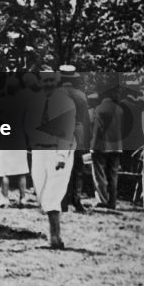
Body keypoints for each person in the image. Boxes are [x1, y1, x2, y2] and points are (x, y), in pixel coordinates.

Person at [25, 70, 76, 249]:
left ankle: (55, 237)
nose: (47, 84)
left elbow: (67, 130)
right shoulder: (36, 101)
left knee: (53, 194)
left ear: (56, 81)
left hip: (57, 153)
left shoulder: (65, 102)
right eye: (44, 81)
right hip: (39, 152)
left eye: (50, 81)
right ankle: (53, 234)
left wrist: (61, 156)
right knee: (42, 192)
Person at [0, 75, 30, 206]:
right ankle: (23, 198)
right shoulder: (22, 102)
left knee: (4, 171)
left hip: (5, 138)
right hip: (19, 137)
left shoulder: (1, 101)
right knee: (21, 171)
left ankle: (5, 198)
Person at [59, 65, 89, 213]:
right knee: (77, 167)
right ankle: (76, 200)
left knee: (61, 165)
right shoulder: (81, 95)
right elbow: (84, 118)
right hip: (78, 131)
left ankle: (62, 201)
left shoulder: (57, 94)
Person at [90, 85, 125, 209]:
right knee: (113, 175)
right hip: (117, 146)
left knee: (99, 174)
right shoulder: (119, 109)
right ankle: (112, 202)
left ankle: (102, 200)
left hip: (101, 145)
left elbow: (97, 129)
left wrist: (92, 145)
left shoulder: (99, 108)